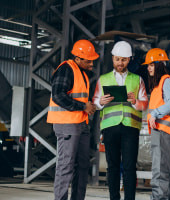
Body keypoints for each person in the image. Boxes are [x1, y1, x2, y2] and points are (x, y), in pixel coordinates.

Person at [93, 41, 148, 200]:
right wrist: (101, 102)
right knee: (113, 167)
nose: (120, 63)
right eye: (117, 59)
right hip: (110, 128)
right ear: (112, 58)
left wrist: (134, 101)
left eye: (123, 59)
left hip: (130, 127)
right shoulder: (102, 80)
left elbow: (144, 104)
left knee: (130, 167)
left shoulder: (138, 80)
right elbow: (95, 102)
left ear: (129, 59)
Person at [47, 39, 98, 200]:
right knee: (66, 165)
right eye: (88, 60)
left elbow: (77, 97)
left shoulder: (81, 72)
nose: (92, 63)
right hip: (67, 124)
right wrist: (83, 107)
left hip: (81, 124)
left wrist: (89, 105)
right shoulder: (66, 69)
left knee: (82, 166)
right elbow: (57, 95)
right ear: (78, 58)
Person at [143, 48, 170, 200]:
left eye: (151, 64)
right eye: (148, 65)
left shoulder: (166, 81)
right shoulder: (159, 85)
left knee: (159, 173)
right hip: (163, 133)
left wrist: (154, 113)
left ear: (159, 64)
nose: (148, 68)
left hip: (163, 133)